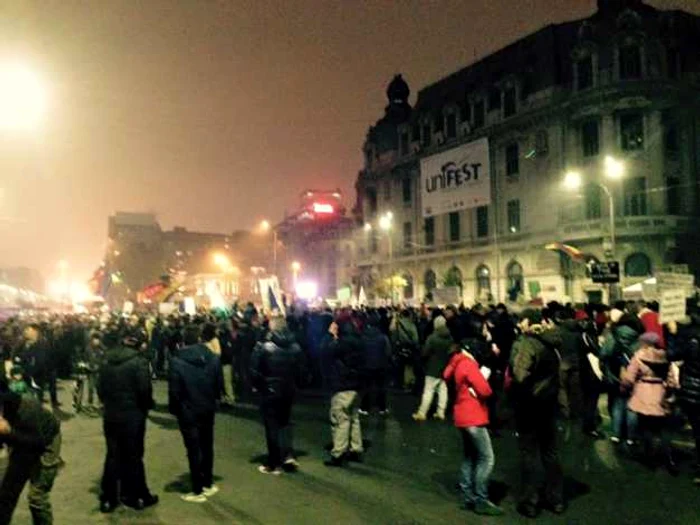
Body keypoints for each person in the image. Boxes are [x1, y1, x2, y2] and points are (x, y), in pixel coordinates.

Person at [97, 324, 158, 513]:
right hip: (132, 414)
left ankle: (109, 498)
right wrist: (147, 406)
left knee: (113, 455)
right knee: (134, 455)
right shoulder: (139, 362)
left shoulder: (107, 360)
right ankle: (137, 495)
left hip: (112, 414)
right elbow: (144, 391)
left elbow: (101, 389)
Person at [510, 309, 564, 518]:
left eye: (521, 321)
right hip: (549, 404)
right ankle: (556, 499)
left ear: (527, 322)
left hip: (529, 406)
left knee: (529, 453)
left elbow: (520, 375)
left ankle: (530, 501)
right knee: (550, 453)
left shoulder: (527, 343)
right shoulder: (553, 341)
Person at [443, 343, 503, 516]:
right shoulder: (468, 365)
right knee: (487, 458)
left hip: (461, 415)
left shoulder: (454, 364)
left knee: (470, 456)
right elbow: (485, 390)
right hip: (473, 415)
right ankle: (481, 498)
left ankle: (467, 495)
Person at [169, 324, 222, 502]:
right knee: (207, 445)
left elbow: (175, 391)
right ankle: (207, 481)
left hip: (188, 410)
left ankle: (197, 488)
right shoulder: (213, 358)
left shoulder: (177, 361)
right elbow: (218, 386)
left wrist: (175, 409)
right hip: (207, 407)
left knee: (193, 449)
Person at [250, 316, 305, 474]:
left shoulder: (263, 347)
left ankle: (273, 462)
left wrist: (259, 386)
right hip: (289, 390)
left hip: (270, 390)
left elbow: (254, 370)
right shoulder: (295, 346)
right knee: (285, 423)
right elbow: (302, 369)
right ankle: (287, 455)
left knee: (272, 426)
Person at [0, 387, 62, 525]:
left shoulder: (26, 409)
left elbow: (37, 443)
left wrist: (8, 432)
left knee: (37, 497)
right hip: (20, 441)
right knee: (7, 492)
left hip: (46, 442)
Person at [622, 331, 678, 474]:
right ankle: (668, 458)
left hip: (643, 394)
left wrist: (625, 386)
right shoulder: (665, 356)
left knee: (646, 428)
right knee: (663, 429)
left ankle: (650, 458)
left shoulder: (639, 355)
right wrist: (670, 392)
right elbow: (672, 378)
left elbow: (629, 377)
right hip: (661, 393)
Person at [325, 318, 365, 467]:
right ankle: (356, 448)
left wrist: (330, 335)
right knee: (354, 418)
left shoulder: (340, 344)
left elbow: (324, 352)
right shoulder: (360, 341)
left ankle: (338, 453)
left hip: (342, 385)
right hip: (357, 386)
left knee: (340, 419)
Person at [413, 316, 453, 422]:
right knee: (443, 390)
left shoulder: (432, 338)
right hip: (445, 368)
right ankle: (441, 412)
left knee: (428, 391)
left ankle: (422, 413)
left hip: (432, 367)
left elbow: (425, 352)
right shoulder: (450, 338)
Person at [360, 313, 392, 416]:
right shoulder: (383, 337)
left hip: (366, 365)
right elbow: (388, 352)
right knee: (381, 387)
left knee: (366, 387)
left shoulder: (363, 336)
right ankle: (382, 408)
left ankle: (364, 408)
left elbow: (360, 351)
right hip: (381, 365)